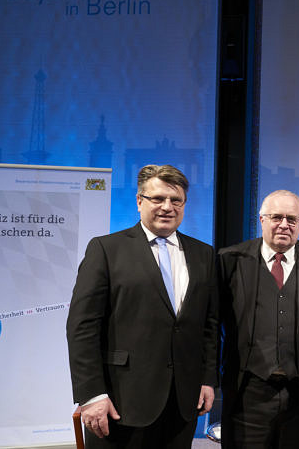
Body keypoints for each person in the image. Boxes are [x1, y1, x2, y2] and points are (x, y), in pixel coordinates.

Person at [66, 164, 218, 449]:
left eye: (176, 200)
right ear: (139, 201)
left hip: (182, 405)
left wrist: (208, 379)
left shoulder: (203, 254)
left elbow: (208, 325)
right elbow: (82, 327)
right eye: (157, 199)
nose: (167, 207)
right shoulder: (106, 249)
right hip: (120, 404)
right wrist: (91, 395)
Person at [217, 190, 299, 448]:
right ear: (261, 219)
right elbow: (215, 322)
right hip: (246, 391)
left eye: (291, 219)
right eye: (276, 217)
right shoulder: (230, 259)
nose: (284, 225)